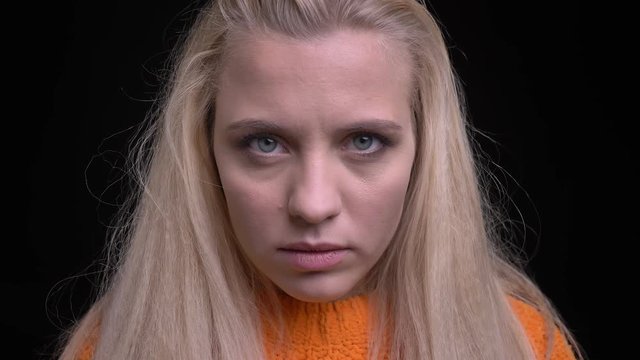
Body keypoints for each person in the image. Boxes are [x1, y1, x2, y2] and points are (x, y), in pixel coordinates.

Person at [57, 0, 584, 359]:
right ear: (204, 149)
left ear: (426, 150)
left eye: (363, 142)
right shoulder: (117, 347)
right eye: (265, 143)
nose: (312, 204)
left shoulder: (520, 344)